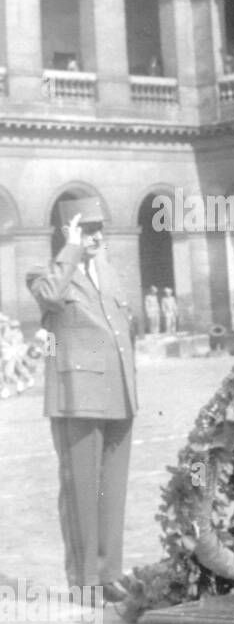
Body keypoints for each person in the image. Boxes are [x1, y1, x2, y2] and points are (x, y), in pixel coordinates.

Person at [26, 197, 137, 600]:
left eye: (99, 229)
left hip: (119, 394)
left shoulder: (108, 272)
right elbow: (51, 294)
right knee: (81, 491)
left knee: (112, 489)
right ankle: (85, 581)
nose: (96, 236)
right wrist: (70, 249)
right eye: (86, 229)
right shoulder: (46, 273)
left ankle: (109, 573)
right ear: (67, 231)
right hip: (77, 397)